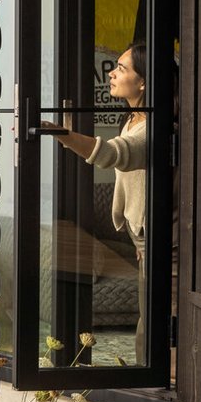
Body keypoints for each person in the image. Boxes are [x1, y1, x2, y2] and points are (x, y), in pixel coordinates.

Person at [42, 41, 149, 363]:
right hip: (140, 233)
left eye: (121, 69)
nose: (112, 74)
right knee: (150, 313)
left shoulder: (151, 127)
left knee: (153, 319)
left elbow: (112, 154)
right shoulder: (132, 119)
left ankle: (149, 377)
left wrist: (62, 134)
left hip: (158, 237)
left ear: (143, 82)